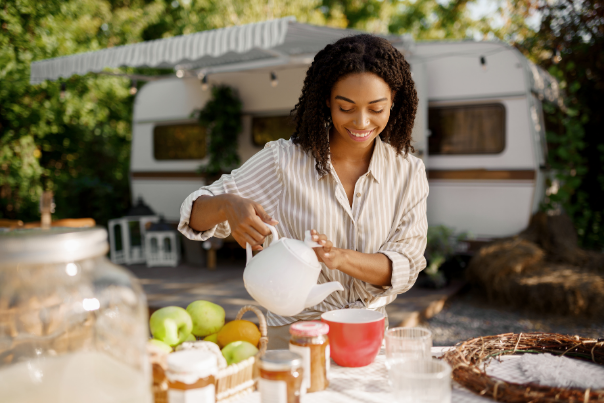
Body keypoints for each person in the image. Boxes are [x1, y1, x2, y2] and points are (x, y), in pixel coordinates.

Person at [178, 34, 428, 349]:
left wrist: (341, 258)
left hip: (367, 335)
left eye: (376, 108)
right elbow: (194, 217)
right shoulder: (284, 161)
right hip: (293, 336)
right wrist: (227, 205)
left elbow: (406, 266)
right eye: (346, 107)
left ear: (394, 99)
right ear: (327, 100)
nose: (361, 122)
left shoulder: (408, 173)